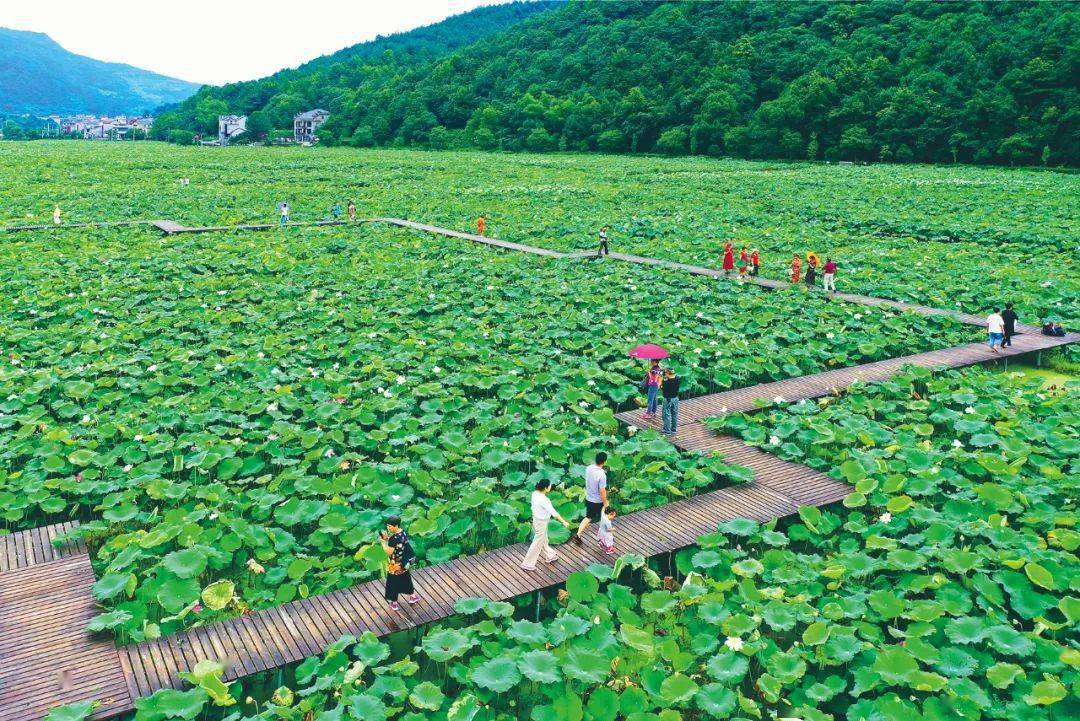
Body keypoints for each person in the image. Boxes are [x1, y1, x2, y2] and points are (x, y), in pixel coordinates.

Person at [521, 479, 570, 571]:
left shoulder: (535, 493)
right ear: (546, 488)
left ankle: (550, 555)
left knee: (543, 539)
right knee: (537, 543)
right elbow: (554, 512)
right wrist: (564, 522)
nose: (551, 487)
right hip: (542, 522)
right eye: (550, 485)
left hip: (536, 520)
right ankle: (527, 564)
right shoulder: (544, 500)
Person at [380, 516, 420, 611]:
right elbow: (399, 542)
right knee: (405, 579)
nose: (388, 528)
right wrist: (388, 539)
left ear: (396, 525)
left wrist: (383, 542)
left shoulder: (393, 539)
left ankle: (394, 604)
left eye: (390, 526)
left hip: (395, 565)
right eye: (387, 526)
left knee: (392, 583)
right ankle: (413, 597)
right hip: (404, 563)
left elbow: (389, 552)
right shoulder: (403, 532)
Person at [574, 452, 608, 544]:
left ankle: (578, 534)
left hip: (588, 497)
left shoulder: (589, 468)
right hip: (597, 501)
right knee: (604, 518)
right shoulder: (602, 475)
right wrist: (605, 502)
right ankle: (604, 539)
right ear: (604, 462)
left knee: (588, 517)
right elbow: (602, 491)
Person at [661, 368, 680, 435]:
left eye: (666, 373)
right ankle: (674, 429)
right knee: (674, 414)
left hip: (668, 399)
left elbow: (663, 389)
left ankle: (667, 430)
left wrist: (662, 380)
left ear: (667, 374)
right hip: (675, 398)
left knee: (667, 414)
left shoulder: (666, 382)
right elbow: (675, 377)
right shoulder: (677, 379)